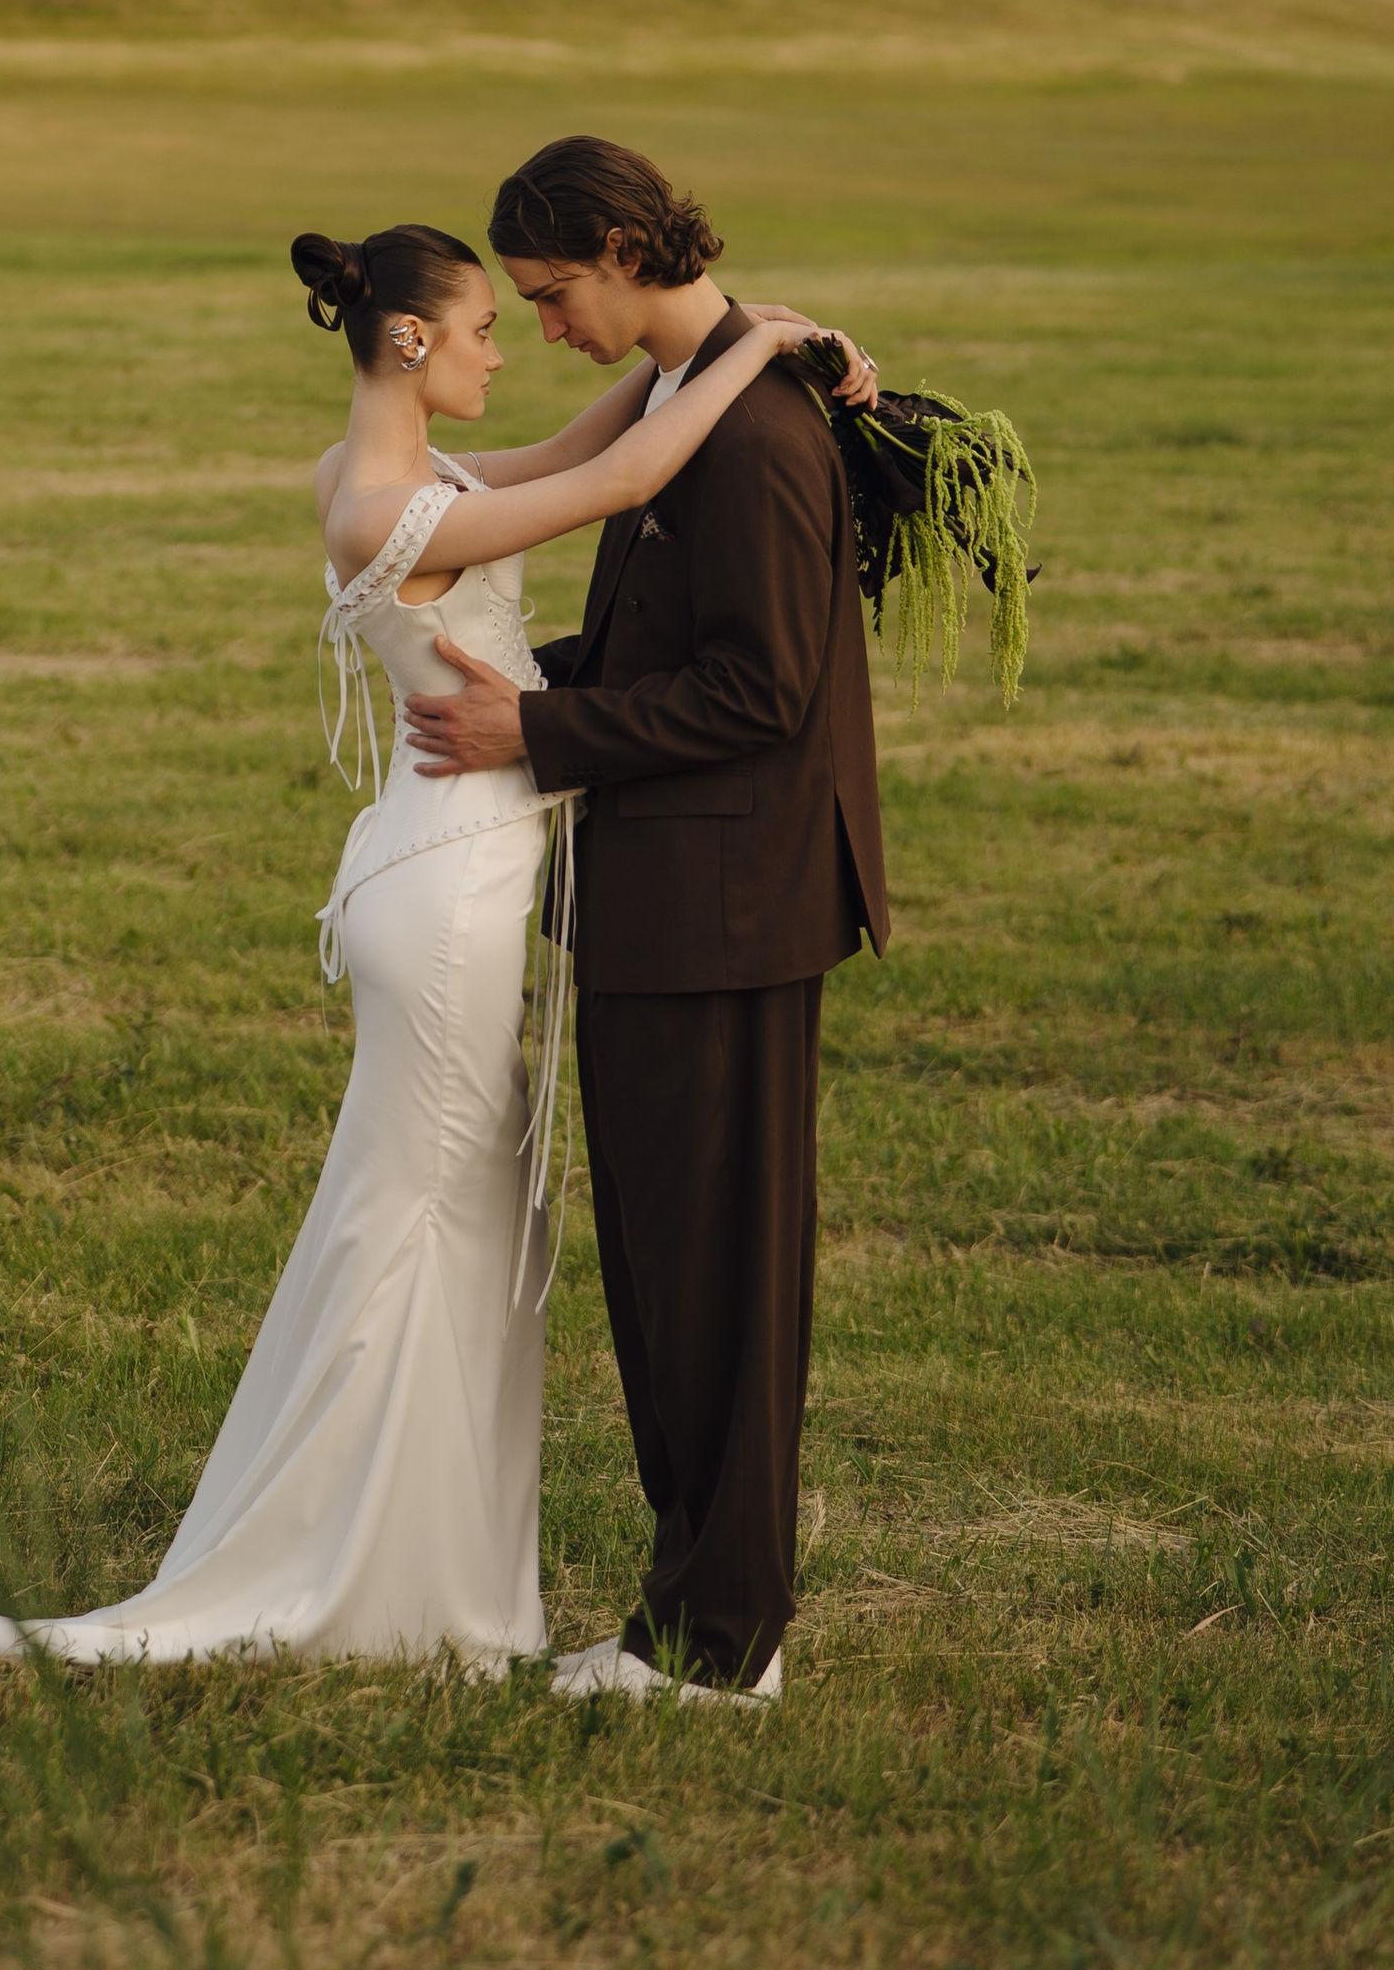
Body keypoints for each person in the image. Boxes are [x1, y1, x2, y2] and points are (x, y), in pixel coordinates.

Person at [0, 219, 870, 1676]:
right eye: (489, 324)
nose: (509, 345)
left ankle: (436, 1572)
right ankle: (340, 1562)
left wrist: (739, 332)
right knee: (419, 1205)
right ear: (409, 342)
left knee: (466, 1212)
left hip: (449, 868)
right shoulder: (387, 513)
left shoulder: (390, 479)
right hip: (447, 891)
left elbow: (574, 444)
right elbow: (612, 481)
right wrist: (748, 351)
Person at [404, 136, 891, 1704]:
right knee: (673, 1280)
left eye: (553, 296)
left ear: (623, 246)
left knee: (721, 1291)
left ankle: (718, 1650)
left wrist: (533, 735)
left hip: (730, 907)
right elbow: (654, 639)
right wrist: (530, 683)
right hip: (671, 902)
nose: (545, 327)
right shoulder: (702, 405)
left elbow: (762, 690)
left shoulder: (752, 435)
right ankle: (682, 1619)